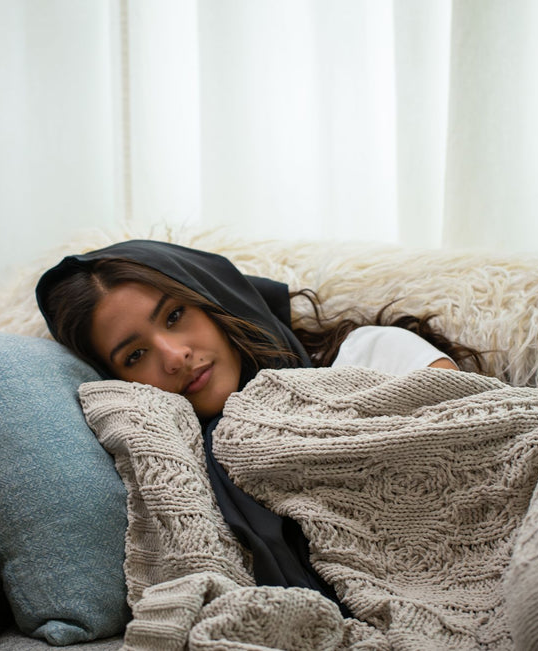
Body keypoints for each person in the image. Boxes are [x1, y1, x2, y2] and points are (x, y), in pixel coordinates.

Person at [35, 239, 481, 613]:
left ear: (215, 304)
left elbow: (480, 454)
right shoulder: (180, 480)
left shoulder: (372, 355)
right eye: (135, 356)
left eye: (174, 316)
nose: (173, 356)